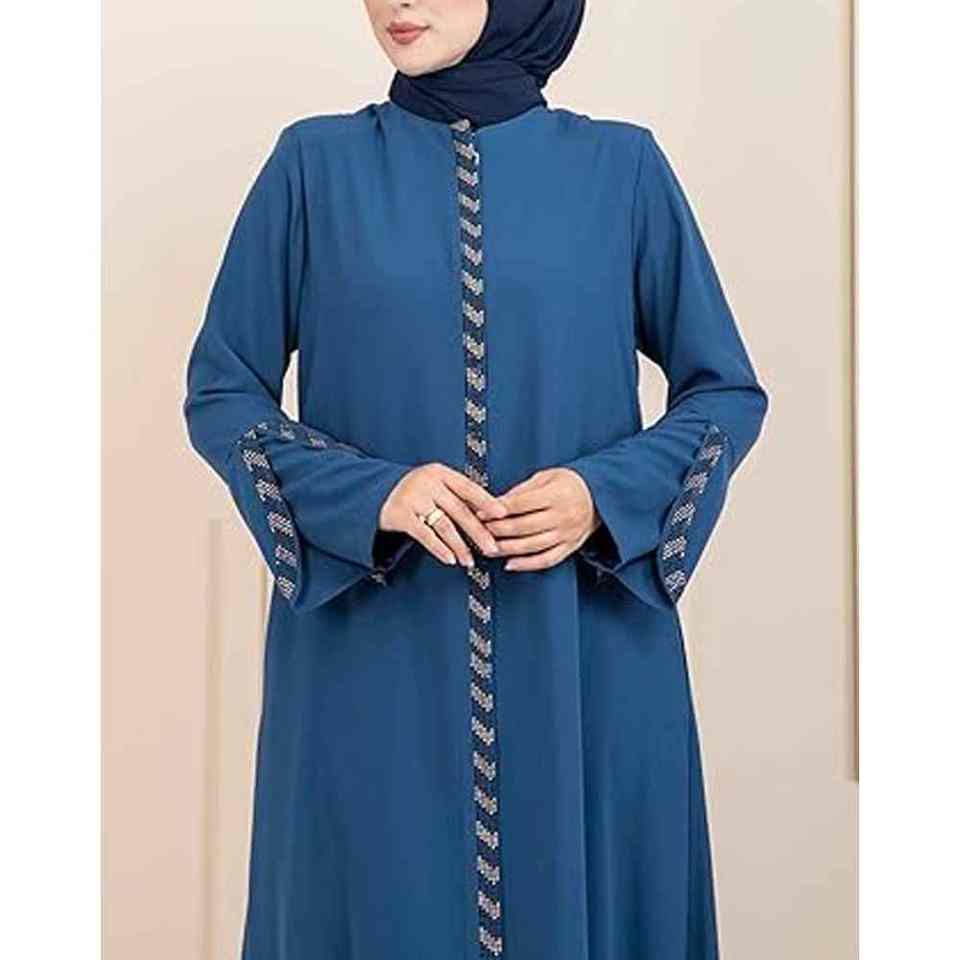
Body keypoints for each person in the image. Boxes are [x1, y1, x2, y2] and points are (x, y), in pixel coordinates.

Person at [182, 1, 769, 957]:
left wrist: (602, 495)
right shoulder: (313, 167)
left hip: (583, 642)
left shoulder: (620, 169)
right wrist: (370, 494)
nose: (397, 2)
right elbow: (222, 390)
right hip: (374, 642)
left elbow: (724, 392)